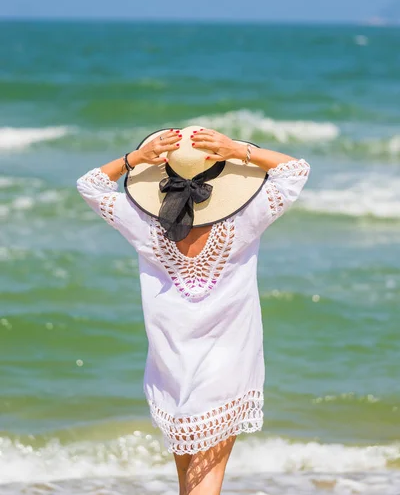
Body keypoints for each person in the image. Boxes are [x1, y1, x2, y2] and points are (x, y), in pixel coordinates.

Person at [77, 125, 310, 495]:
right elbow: (295, 169)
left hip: (170, 362)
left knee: (190, 479)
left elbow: (90, 184)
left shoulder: (143, 222)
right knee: (209, 479)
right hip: (228, 362)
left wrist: (134, 160)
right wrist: (237, 151)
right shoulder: (246, 218)